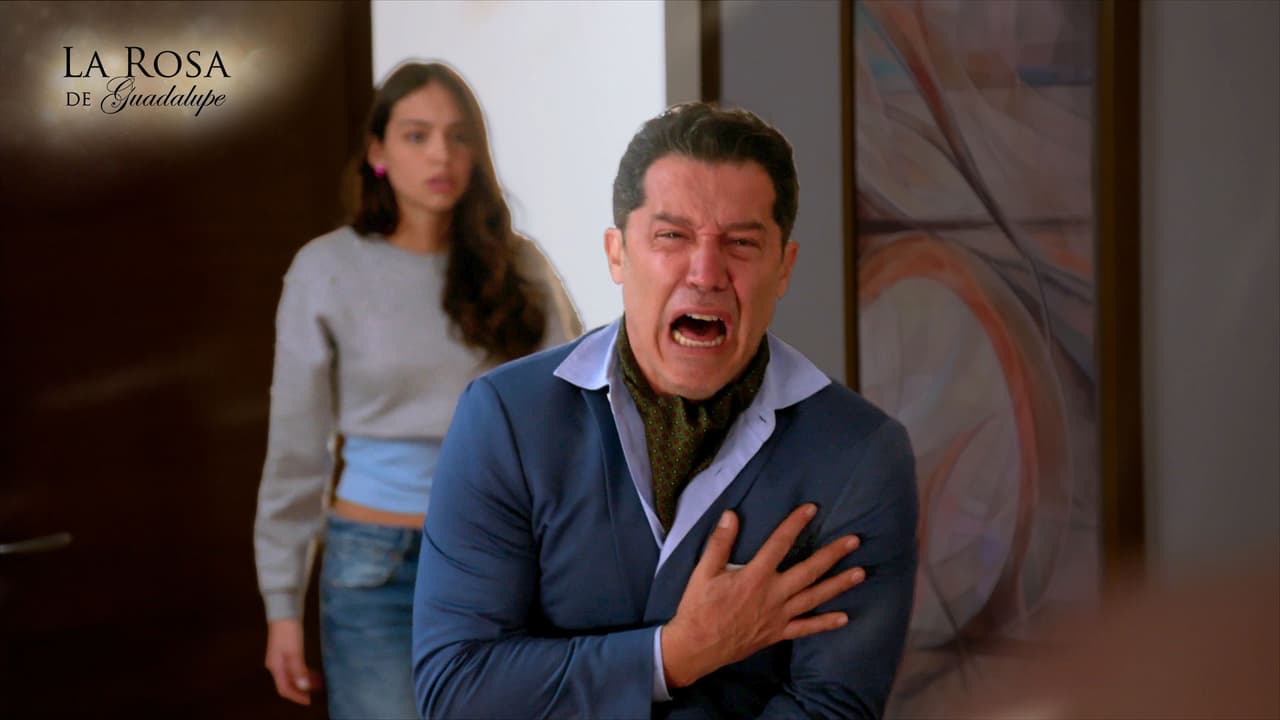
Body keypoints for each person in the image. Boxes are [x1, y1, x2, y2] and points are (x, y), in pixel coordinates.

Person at [412, 102, 918, 718]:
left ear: (783, 267)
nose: (706, 273)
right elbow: (457, 690)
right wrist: (673, 655)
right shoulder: (505, 419)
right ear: (617, 254)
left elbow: (832, 709)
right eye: (672, 237)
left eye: (741, 243)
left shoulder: (861, 454)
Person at [252, 61, 582, 719]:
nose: (441, 154)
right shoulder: (327, 269)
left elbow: (575, 409)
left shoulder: (518, 265)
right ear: (377, 151)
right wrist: (282, 606)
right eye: (417, 135)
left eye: (458, 136)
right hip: (375, 567)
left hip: (501, 556)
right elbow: (295, 453)